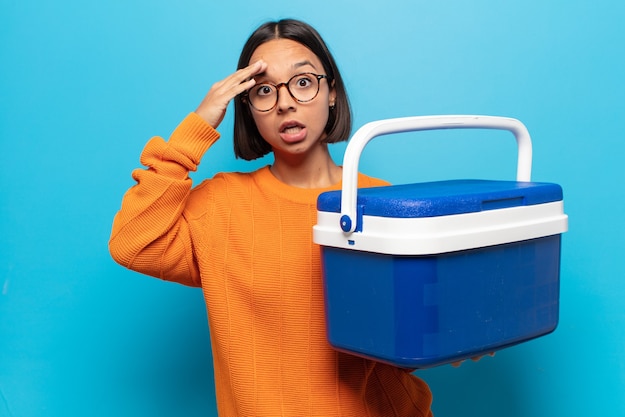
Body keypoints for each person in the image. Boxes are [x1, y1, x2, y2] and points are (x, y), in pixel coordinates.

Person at [109, 19, 433, 416]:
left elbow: (409, 329)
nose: (285, 102)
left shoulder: (382, 199)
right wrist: (197, 125)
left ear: (331, 92)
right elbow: (132, 243)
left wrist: (450, 337)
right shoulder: (220, 205)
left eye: (302, 82)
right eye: (264, 90)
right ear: (247, 109)